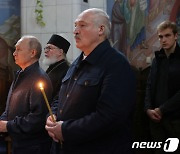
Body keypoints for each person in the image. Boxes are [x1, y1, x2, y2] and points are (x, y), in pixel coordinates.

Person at [46, 8, 136, 154]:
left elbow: (110, 116)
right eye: (75, 25)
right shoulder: (77, 62)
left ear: (100, 29)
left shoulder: (116, 64)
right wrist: (52, 116)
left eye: (82, 25)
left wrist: (65, 130)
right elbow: (60, 97)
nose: (75, 31)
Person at [0, 35, 53, 154]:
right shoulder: (20, 74)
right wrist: (2, 121)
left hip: (32, 146)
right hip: (18, 142)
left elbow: (37, 119)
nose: (14, 53)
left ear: (32, 52)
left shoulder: (39, 79)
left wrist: (8, 126)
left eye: (18, 49)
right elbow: (9, 108)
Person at [144, 21, 180, 154]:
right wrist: (148, 108)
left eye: (167, 35)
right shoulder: (157, 59)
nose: (163, 40)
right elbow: (149, 85)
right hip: (156, 120)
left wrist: (163, 109)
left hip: (175, 120)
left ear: (175, 36)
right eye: (160, 37)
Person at [43, 34, 70, 99]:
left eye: (49, 48)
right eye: (46, 48)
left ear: (60, 52)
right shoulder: (52, 67)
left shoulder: (67, 71)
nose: (46, 51)